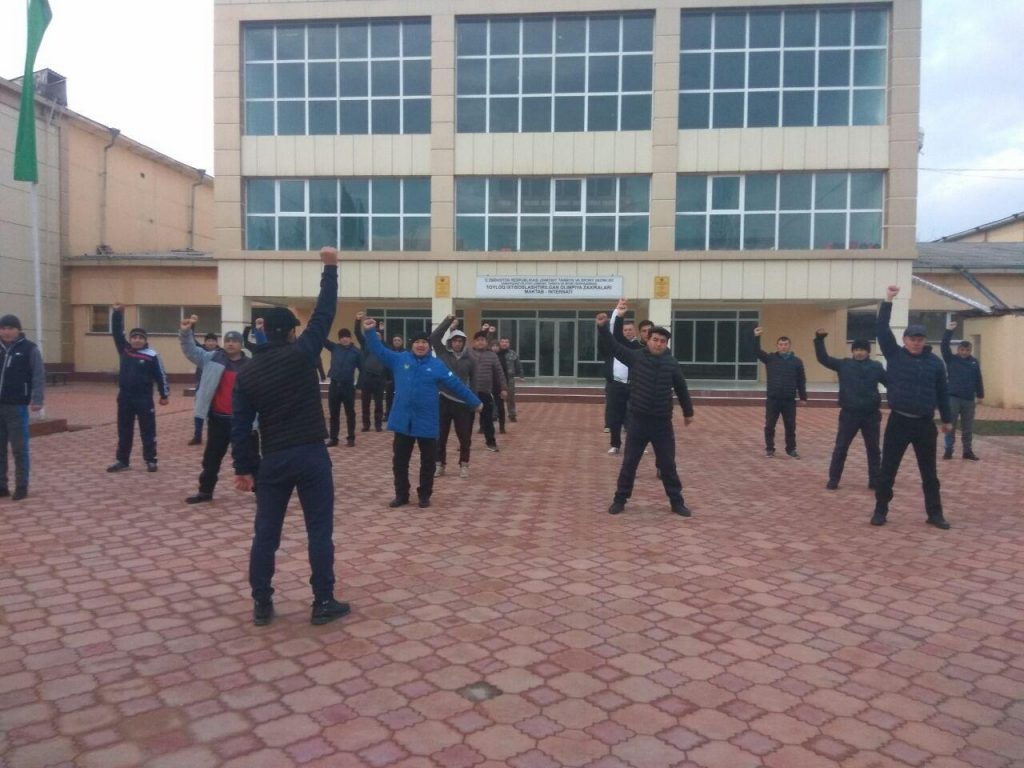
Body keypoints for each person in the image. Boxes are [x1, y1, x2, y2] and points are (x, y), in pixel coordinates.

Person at [232, 246, 350, 627]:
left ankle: (262, 603)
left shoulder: (247, 374)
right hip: (311, 455)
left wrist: (244, 469)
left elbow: (240, 427)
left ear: (263, 332)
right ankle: (323, 601)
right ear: (293, 331)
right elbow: (325, 312)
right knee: (319, 531)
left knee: (266, 534)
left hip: (273, 459)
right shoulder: (302, 353)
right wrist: (330, 268)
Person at [362, 318, 481, 509]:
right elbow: (379, 350)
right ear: (412, 344)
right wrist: (369, 332)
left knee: (428, 462)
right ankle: (401, 495)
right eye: (417, 342)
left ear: (429, 346)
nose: (420, 345)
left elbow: (456, 385)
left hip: (427, 421)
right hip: (403, 421)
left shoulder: (437, 365)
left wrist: (475, 401)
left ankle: (424, 495)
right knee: (400, 462)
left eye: (424, 342)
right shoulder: (400, 359)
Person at [598, 300, 694, 517]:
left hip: (662, 424)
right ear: (647, 340)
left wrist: (688, 412)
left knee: (668, 465)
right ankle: (620, 500)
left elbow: (681, 388)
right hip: (638, 422)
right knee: (629, 464)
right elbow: (614, 346)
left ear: (666, 344)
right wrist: (603, 327)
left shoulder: (672, 363)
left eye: (662, 341)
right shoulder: (636, 357)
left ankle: (677, 502)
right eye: (655, 340)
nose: (658, 344)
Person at [872, 285, 953, 530]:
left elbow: (942, 393)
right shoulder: (895, 355)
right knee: (888, 470)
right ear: (905, 340)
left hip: (925, 424)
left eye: (920, 339)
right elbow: (882, 329)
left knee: (929, 473)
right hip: (899, 422)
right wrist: (888, 300)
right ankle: (880, 510)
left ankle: (935, 514)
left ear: (924, 341)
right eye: (912, 339)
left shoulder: (935, 363)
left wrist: (947, 419)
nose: (916, 343)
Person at [179, 320, 256, 504]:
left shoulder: (251, 365)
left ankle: (262, 493)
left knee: (252, 459)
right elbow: (190, 350)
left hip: (244, 422)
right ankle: (205, 491)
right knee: (211, 459)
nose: (230, 343)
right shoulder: (212, 358)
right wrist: (185, 332)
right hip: (218, 419)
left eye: (234, 341)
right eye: (227, 340)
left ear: (241, 344)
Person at [813, 330, 886, 490]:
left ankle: (874, 480)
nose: (859, 352)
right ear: (852, 351)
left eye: (863, 350)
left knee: (874, 449)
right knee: (841, 448)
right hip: (849, 414)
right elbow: (823, 358)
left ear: (868, 351)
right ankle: (834, 479)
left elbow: (890, 383)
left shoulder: (876, 367)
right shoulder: (844, 364)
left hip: (871, 415)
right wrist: (819, 340)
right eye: (857, 349)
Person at [107, 306, 170, 473]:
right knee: (124, 430)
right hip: (125, 398)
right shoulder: (124, 350)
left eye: (140, 338)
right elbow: (116, 332)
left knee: (147, 430)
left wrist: (164, 394)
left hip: (144, 398)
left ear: (145, 340)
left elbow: (161, 375)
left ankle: (151, 460)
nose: (137, 340)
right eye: (134, 337)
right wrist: (117, 313)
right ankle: (122, 460)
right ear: (130, 339)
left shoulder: (152, 355)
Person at [0, 315, 44, 501]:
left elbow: (38, 375)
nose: (6, 332)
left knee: (19, 448)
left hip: (17, 406)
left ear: (18, 330)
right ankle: (2, 486)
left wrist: (37, 399)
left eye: (10, 328)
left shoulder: (29, 349)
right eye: (3, 328)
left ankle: (21, 485)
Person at [430, 315, 477, 478]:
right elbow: (434, 337)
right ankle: (439, 464)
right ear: (450, 342)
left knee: (464, 437)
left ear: (464, 343)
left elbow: (474, 382)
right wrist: (448, 321)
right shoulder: (443, 354)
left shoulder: (470, 360)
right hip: (443, 399)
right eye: (455, 341)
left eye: (460, 341)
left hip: (462, 402)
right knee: (440, 435)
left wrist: (473, 401)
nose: (457, 343)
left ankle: (464, 464)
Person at [754, 326, 807, 458]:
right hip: (773, 399)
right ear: (777, 346)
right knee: (769, 425)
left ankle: (791, 449)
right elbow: (757, 351)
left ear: (789, 346)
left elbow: (801, 380)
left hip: (789, 400)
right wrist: (756, 337)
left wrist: (803, 397)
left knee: (790, 426)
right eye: (781, 344)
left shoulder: (797, 362)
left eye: (786, 344)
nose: (783, 347)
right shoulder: (770, 359)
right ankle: (770, 449)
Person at [941, 320, 984, 461]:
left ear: (970, 350)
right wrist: (949, 331)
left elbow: (978, 378)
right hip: (953, 398)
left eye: (967, 350)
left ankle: (967, 451)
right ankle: (948, 450)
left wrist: (980, 394)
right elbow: (944, 346)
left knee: (968, 427)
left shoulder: (974, 362)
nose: (964, 352)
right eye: (962, 350)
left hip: (968, 399)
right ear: (958, 350)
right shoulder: (951, 359)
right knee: (950, 425)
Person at [599, 310, 641, 455]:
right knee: (615, 417)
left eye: (630, 330)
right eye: (625, 330)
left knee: (634, 417)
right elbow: (604, 344)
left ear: (634, 331)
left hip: (633, 386)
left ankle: (637, 445)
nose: (628, 332)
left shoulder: (639, 347)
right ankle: (615, 444)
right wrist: (603, 327)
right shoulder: (614, 347)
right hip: (615, 385)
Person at [470, 329, 507, 452]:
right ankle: (464, 443)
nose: (480, 342)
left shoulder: (492, 355)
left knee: (487, 419)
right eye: (478, 340)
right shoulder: (468, 354)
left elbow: (500, 373)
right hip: (469, 393)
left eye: (483, 340)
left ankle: (491, 443)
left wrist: (503, 388)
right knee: (466, 420)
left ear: (487, 342)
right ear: (474, 342)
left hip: (485, 392)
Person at [324, 329, 361, 447]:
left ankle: (351, 438)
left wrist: (359, 386)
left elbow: (363, 370)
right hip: (334, 385)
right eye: (341, 337)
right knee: (334, 413)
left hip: (348, 386)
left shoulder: (356, 352)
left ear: (350, 338)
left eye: (346, 337)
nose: (344, 339)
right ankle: (333, 438)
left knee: (350, 413)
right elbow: (323, 340)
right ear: (339, 339)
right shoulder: (335, 348)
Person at [354, 313, 386, 431]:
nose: (376, 337)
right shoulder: (366, 344)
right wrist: (358, 320)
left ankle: (378, 425)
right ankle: (366, 425)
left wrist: (381, 331)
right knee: (365, 403)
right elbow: (357, 333)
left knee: (379, 403)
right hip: (367, 378)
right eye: (375, 335)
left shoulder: (383, 347)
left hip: (379, 378)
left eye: (379, 336)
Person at [189, 332, 221, 446]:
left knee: (214, 412)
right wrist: (191, 327)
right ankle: (197, 436)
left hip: (216, 386)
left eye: (213, 341)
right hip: (201, 385)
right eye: (208, 341)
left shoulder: (221, 354)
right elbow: (191, 340)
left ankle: (214, 436)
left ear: (217, 342)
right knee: (199, 410)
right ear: (205, 342)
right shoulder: (200, 352)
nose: (211, 343)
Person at [497, 337, 524, 422]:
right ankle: (495, 415)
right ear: (499, 343)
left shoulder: (513, 353)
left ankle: (512, 414)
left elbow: (518, 365)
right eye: (502, 342)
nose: (504, 344)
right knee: (496, 398)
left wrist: (521, 375)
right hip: (497, 379)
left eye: (506, 342)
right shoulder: (495, 353)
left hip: (509, 379)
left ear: (509, 344)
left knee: (511, 398)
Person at [383, 334, 405, 421]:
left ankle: (401, 415)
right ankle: (388, 415)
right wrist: (386, 379)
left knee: (401, 399)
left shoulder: (406, 353)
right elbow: (385, 366)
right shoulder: (389, 353)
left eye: (398, 340)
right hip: (390, 380)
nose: (397, 342)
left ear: (402, 342)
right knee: (389, 399)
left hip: (402, 380)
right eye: (395, 340)